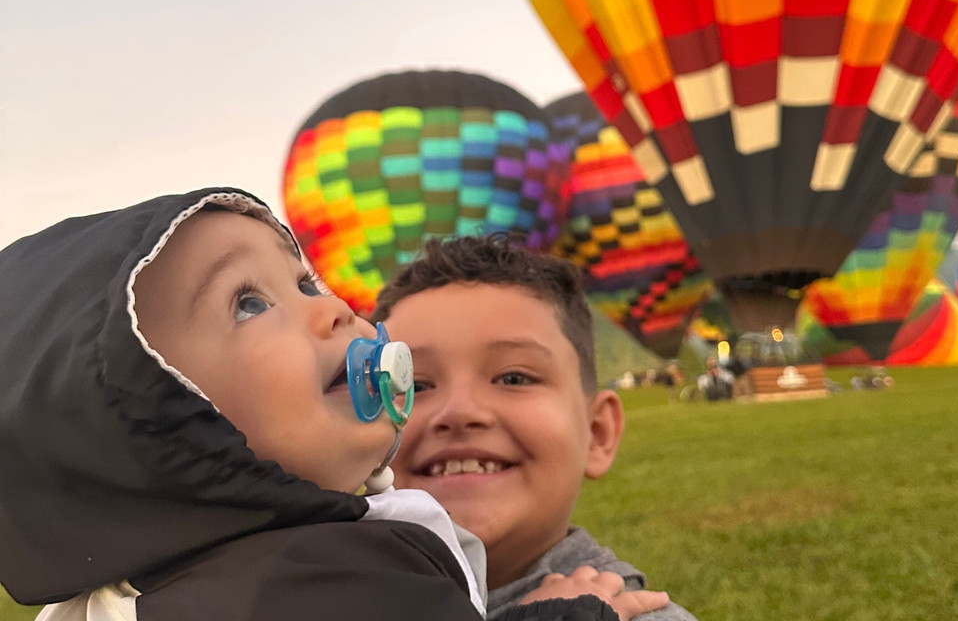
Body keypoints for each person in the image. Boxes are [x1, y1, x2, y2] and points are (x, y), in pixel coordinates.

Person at [0, 187, 668, 621]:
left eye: (304, 281)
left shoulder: (146, 585)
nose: (329, 307)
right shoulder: (302, 582)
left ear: (601, 428)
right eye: (251, 302)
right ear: (142, 422)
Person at [371, 234, 698, 620]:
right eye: (416, 386)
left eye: (513, 378)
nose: (458, 411)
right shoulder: (332, 588)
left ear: (597, 433)